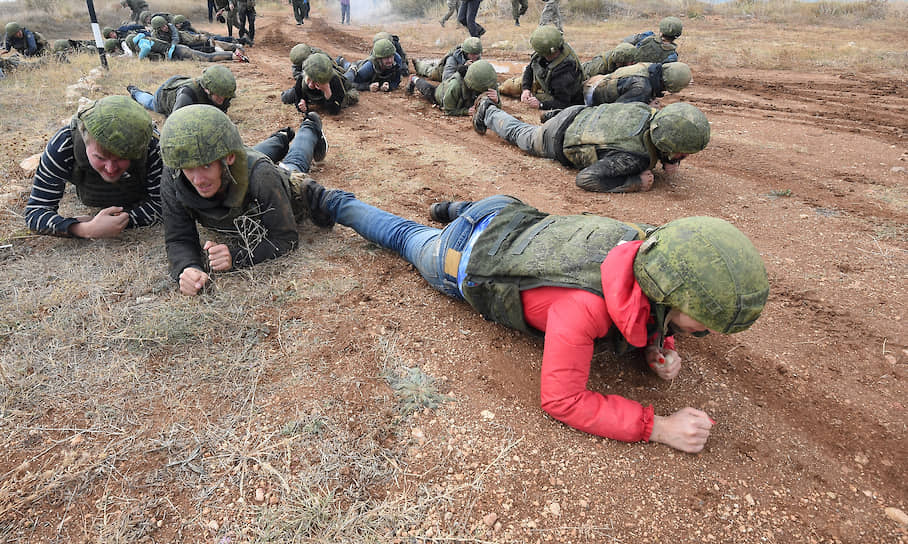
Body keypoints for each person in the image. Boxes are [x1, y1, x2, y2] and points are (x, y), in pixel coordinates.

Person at [311, 191, 768, 453]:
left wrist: (655, 346)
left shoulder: (643, 245)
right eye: (702, 324)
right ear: (667, 292)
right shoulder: (584, 307)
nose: (704, 333)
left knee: (446, 220)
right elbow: (561, 400)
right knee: (401, 235)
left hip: (507, 213)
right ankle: (331, 201)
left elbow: (642, 311)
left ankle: (449, 206)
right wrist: (660, 427)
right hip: (463, 255)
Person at [159, 105, 332, 295]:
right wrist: (188, 267)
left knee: (295, 161)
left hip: (281, 181)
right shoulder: (174, 174)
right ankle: (281, 137)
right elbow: (178, 237)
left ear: (228, 159)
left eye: (206, 165)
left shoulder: (261, 176)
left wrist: (237, 257)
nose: (197, 180)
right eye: (189, 168)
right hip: (244, 170)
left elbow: (286, 239)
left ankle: (309, 126)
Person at [472, 99, 710, 193]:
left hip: (576, 112)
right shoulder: (635, 158)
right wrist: (635, 183)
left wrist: (669, 159)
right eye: (683, 154)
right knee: (520, 134)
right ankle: (489, 112)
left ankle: (549, 114)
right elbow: (586, 179)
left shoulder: (646, 111)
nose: (684, 157)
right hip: (557, 137)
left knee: (544, 123)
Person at [24, 96, 162, 238]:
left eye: (121, 158)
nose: (110, 168)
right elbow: (35, 213)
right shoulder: (63, 145)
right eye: (100, 158)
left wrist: (121, 221)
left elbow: (165, 205)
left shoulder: (151, 147)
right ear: (84, 143)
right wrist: (84, 229)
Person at [499, 25, 583, 111]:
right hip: (543, 81)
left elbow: (564, 103)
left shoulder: (565, 71)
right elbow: (530, 68)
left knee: (536, 98)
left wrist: (541, 105)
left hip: (557, 95)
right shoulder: (545, 51)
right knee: (510, 86)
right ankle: (497, 88)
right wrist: (526, 89)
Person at [127, 65, 237, 116]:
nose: (223, 99)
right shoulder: (186, 96)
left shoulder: (222, 90)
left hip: (180, 81)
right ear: (208, 90)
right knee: (149, 102)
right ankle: (134, 91)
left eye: (225, 96)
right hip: (163, 95)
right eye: (219, 96)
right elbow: (174, 122)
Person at [407, 59, 499, 117]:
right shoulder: (455, 86)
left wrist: (496, 101)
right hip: (439, 94)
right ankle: (414, 79)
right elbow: (448, 110)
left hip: (459, 95)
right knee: (426, 89)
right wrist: (465, 111)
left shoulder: (486, 82)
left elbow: (496, 108)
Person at [583, 61, 691, 106]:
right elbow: (618, 113)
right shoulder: (642, 87)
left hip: (595, 82)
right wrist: (647, 108)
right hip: (591, 96)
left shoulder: (650, 68)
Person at [282, 53, 359, 115]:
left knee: (349, 80)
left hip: (342, 85)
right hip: (315, 94)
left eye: (316, 81)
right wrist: (302, 104)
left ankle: (352, 68)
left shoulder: (334, 80)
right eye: (309, 79)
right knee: (286, 97)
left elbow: (334, 111)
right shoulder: (302, 78)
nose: (311, 85)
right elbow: (298, 98)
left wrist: (327, 91)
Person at [126, 32, 246, 63]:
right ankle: (233, 55)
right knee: (204, 57)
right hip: (176, 52)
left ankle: (234, 56)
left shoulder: (142, 42)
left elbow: (146, 49)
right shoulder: (145, 39)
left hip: (178, 51)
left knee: (206, 58)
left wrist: (140, 60)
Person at [411, 36, 482, 82]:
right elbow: (446, 79)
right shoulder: (452, 59)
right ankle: (418, 63)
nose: (475, 57)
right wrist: (462, 68)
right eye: (472, 54)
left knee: (433, 64)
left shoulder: (477, 56)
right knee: (428, 70)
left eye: (477, 54)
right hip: (440, 73)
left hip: (452, 69)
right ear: (466, 53)